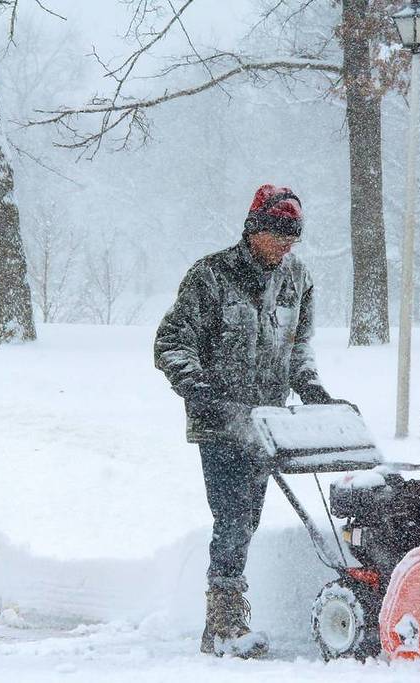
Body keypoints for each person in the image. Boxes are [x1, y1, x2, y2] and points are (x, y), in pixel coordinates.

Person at [153, 184, 350, 658]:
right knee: (232, 518)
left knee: (249, 518)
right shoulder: (212, 276)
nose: (286, 245)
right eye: (278, 234)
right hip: (219, 419)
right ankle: (224, 624)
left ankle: (223, 615)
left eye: (294, 236)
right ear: (253, 229)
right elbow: (170, 343)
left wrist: (311, 388)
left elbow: (299, 345)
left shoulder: (297, 278)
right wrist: (199, 390)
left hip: (267, 422)